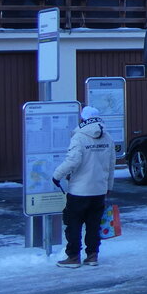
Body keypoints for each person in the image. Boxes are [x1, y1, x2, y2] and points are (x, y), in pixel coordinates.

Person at [53, 105, 116, 268]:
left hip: (79, 191)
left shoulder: (79, 137)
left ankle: (73, 257)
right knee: (93, 225)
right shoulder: (107, 136)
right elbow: (111, 164)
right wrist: (108, 186)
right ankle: (92, 255)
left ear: (83, 119)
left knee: (73, 224)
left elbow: (73, 161)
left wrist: (57, 175)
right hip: (99, 190)